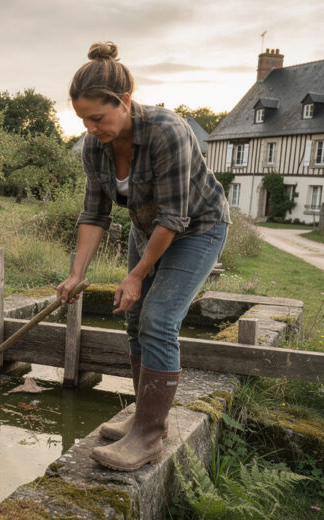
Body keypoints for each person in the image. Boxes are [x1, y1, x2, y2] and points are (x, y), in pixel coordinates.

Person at [56, 41, 230, 472]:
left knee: (158, 318)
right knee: (134, 320)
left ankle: (149, 437)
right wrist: (77, 273)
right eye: (82, 120)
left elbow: (174, 216)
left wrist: (136, 276)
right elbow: (94, 214)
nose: (91, 128)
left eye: (98, 117)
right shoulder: (96, 147)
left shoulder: (167, 131)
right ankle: (144, 415)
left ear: (125, 101)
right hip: (148, 228)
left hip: (197, 227)